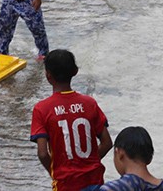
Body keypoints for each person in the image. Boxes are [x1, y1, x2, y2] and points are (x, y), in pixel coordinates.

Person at [31, 49, 113, 191]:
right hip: (94, 179)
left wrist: (56, 173)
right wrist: (88, 165)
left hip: (66, 183)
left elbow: (43, 153)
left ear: (48, 75)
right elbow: (107, 143)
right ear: (75, 71)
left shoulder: (42, 109)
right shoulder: (90, 103)